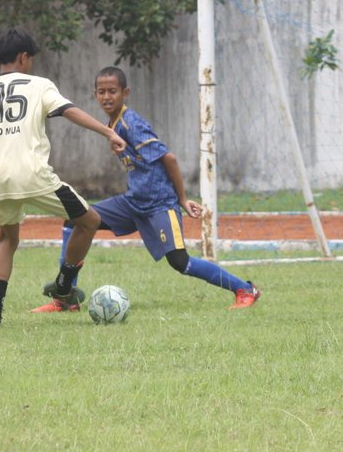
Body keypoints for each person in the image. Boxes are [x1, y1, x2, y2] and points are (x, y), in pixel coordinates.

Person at [39, 67, 259, 312]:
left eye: (112, 91)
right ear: (95, 94)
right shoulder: (111, 123)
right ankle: (65, 299)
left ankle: (245, 289)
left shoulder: (131, 123)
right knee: (76, 220)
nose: (106, 97)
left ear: (125, 92)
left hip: (159, 205)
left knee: (180, 262)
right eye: (101, 92)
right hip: (133, 202)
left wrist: (183, 200)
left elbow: (170, 159)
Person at [0, 28, 126, 327]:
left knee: (7, 239)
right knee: (90, 221)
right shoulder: (39, 85)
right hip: (34, 174)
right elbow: (69, 111)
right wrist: (108, 131)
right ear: (24, 57)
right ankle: (64, 284)